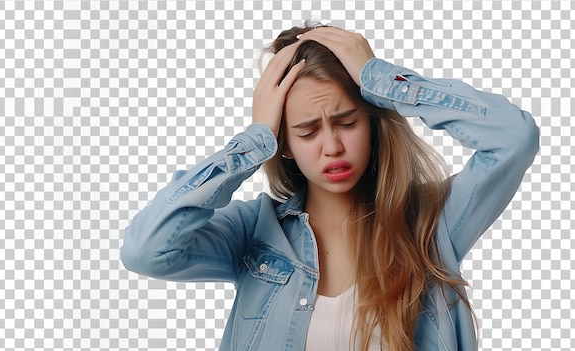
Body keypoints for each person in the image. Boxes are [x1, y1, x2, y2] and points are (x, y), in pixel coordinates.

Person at [121, 22, 539, 351]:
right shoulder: (253, 233)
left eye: (347, 122)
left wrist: (381, 78)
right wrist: (252, 142)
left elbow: (513, 139)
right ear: (283, 144)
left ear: (373, 122)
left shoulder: (432, 222)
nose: (333, 147)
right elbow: (147, 251)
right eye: (306, 132)